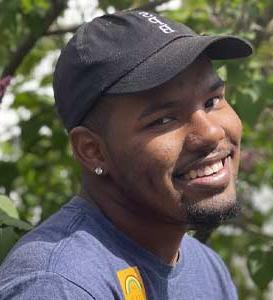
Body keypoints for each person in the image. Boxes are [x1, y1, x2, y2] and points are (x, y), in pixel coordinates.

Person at [0, 10, 252, 300]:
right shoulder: (58, 285)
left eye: (212, 101)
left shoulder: (206, 268)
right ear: (92, 151)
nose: (210, 133)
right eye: (164, 120)